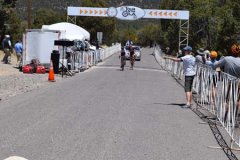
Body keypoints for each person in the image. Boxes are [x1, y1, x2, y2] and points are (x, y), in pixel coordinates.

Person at [213, 43, 240, 123]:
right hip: (238, 82)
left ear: (232, 51)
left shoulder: (227, 59)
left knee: (227, 100)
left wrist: (219, 71)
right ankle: (234, 118)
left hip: (228, 82)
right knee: (237, 100)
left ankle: (225, 118)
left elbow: (215, 65)